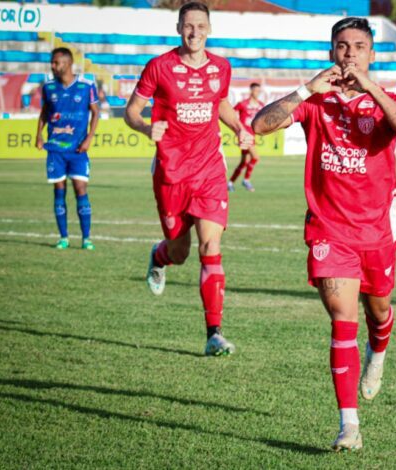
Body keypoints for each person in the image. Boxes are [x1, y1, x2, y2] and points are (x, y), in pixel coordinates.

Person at [252, 17, 396, 451]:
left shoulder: (388, 100)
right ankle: (349, 425)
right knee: (341, 317)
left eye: (359, 46)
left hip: (377, 229)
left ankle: (379, 351)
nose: (349, 54)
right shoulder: (315, 101)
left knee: (379, 308)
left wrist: (372, 90)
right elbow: (260, 125)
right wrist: (306, 90)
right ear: (332, 52)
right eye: (342, 46)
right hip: (329, 229)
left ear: (371, 54)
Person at [124, 1, 252, 356]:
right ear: (178, 28)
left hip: (210, 168)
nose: (194, 32)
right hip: (171, 172)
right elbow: (131, 112)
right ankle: (159, 257)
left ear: (209, 29)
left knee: (211, 248)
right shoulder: (159, 66)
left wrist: (240, 127)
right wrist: (147, 127)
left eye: (200, 26)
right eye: (188, 26)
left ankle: (214, 333)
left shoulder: (221, 67)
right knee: (180, 252)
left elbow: (220, 103)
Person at [36, 47, 100, 250]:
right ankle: (63, 237)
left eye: (56, 62)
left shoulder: (86, 85)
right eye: (52, 63)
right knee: (59, 190)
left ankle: (86, 238)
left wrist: (89, 138)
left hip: (78, 150)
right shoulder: (48, 88)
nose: (53, 66)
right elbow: (45, 112)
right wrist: (38, 134)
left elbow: (96, 113)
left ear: (68, 63)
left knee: (80, 188)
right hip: (55, 149)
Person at [229, 82, 265, 192]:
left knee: (244, 162)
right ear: (251, 91)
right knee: (256, 157)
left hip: (253, 136)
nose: (257, 93)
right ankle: (246, 180)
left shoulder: (261, 105)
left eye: (259, 91)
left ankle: (230, 182)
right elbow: (231, 113)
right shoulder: (242, 104)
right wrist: (238, 129)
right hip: (245, 136)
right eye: (256, 91)